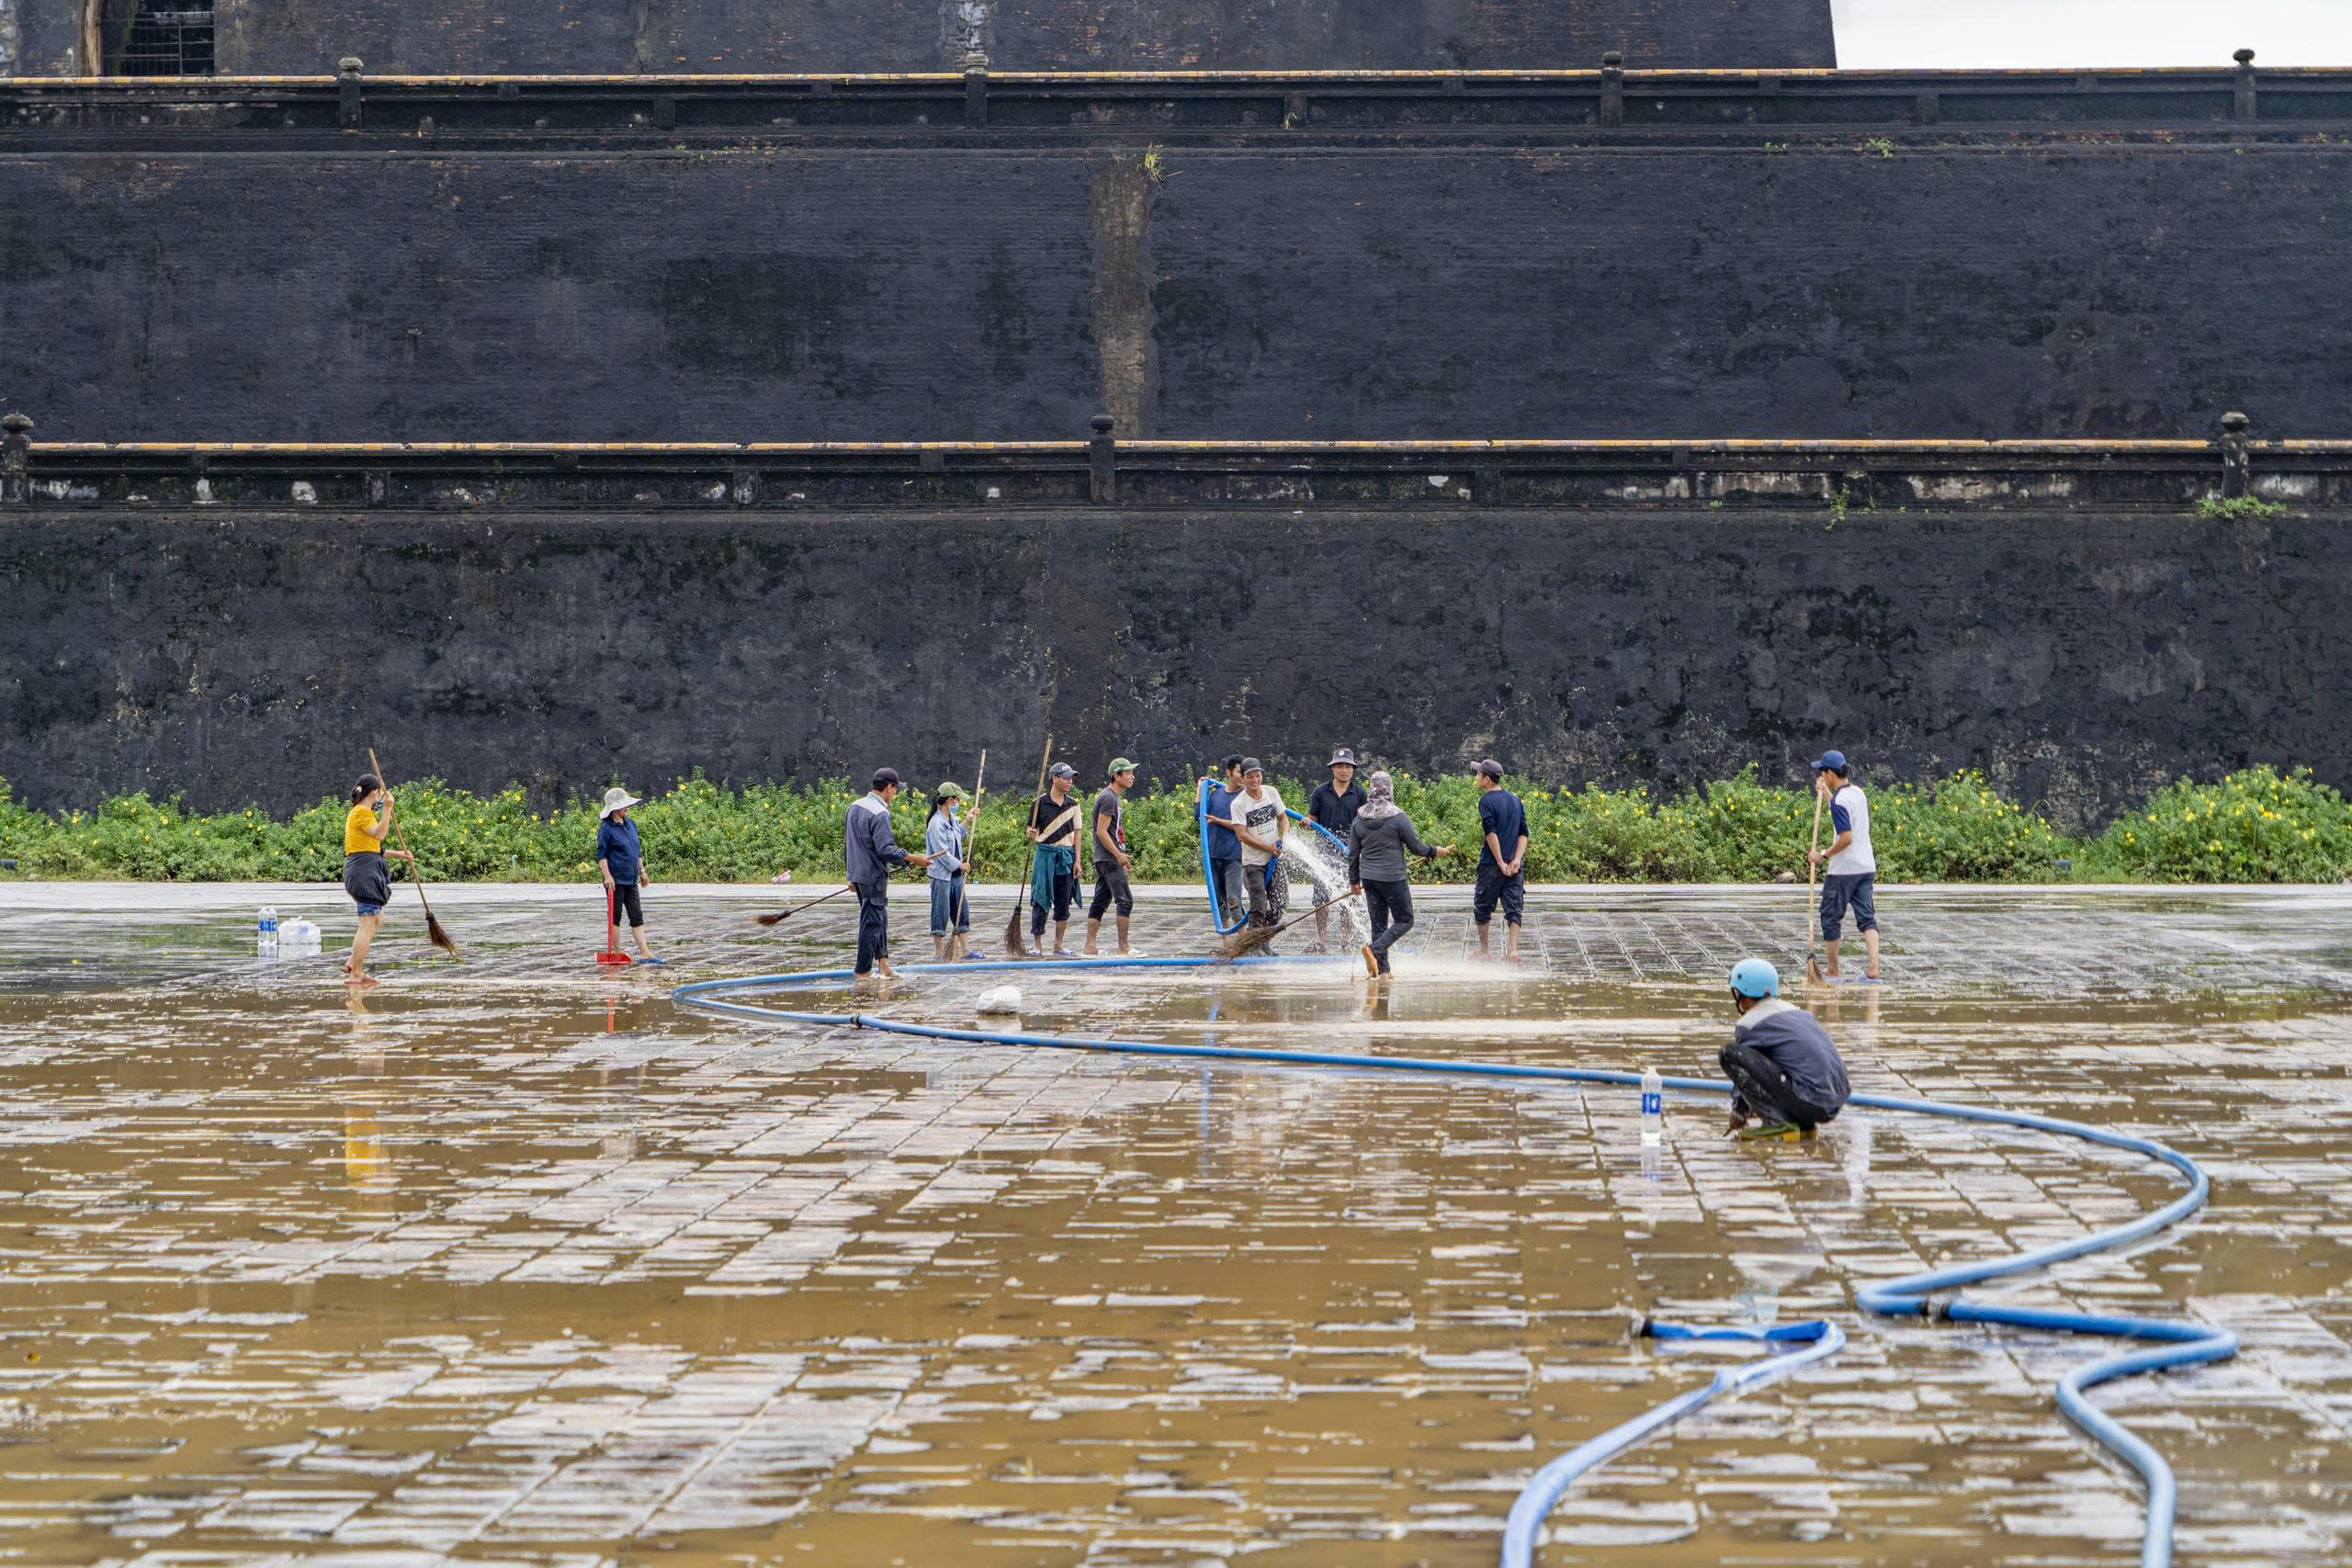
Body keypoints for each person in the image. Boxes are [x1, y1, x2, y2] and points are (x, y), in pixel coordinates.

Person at [1721, 958, 1851, 1139]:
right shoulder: (1795, 1011)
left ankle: (1777, 1122)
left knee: (1729, 1053)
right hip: (1833, 1100)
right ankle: (1802, 1124)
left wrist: (1738, 1112)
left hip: (1811, 1100)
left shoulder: (1749, 1024)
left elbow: (1744, 1072)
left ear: (1741, 994)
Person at [1346, 770, 1454, 978]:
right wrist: (1435, 851)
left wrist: (1354, 881)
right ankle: (1375, 949)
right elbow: (1417, 847)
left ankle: (1384, 971)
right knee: (1405, 920)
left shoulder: (1359, 818)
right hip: (1393, 878)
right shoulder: (1397, 817)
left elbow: (1353, 854)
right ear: (1390, 789)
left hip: (1369, 879)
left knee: (1378, 924)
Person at [846, 767, 931, 979]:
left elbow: (848, 844)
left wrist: (850, 875)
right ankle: (863, 970)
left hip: (859, 875)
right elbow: (885, 849)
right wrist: (913, 858)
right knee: (872, 922)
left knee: (879, 918)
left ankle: (883, 964)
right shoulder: (880, 813)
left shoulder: (854, 807)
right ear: (889, 788)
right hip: (873, 876)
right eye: (896, 790)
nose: (895, 794)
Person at [1807, 750, 1881, 984]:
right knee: (1867, 919)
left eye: (1822, 771)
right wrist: (1828, 794)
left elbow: (1846, 836)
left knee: (1830, 917)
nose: (1821, 774)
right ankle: (1873, 970)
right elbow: (1843, 810)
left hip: (1843, 871)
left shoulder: (1839, 802)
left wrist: (1822, 855)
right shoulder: (1858, 794)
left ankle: (1832, 971)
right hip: (1866, 867)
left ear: (1830, 773)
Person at [342, 774, 413, 986]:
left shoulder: (361, 813)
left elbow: (375, 848)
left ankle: (351, 962)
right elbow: (379, 834)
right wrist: (388, 809)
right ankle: (356, 974)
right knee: (366, 924)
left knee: (377, 919)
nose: (382, 796)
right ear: (374, 793)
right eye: (380, 793)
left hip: (365, 868)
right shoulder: (362, 813)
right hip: (363, 873)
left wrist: (400, 854)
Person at [1305, 747, 1366, 953]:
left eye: (1348, 766)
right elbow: (1313, 818)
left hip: (1349, 851)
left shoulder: (1359, 793)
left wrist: (1362, 850)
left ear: (1353, 769)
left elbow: (1364, 823)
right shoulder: (1320, 792)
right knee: (1321, 897)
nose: (1344, 770)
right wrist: (1306, 822)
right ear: (1332, 768)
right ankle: (1321, 939)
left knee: (1346, 895)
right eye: (1339, 766)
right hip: (1323, 850)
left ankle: (1345, 939)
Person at [1084, 757, 1144, 957]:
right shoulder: (1109, 798)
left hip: (1104, 857)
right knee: (1125, 900)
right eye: (1128, 773)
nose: (1132, 777)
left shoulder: (1112, 798)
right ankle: (1124, 947)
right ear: (1116, 776)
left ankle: (1090, 947)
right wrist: (1118, 855)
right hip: (1109, 858)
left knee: (1100, 902)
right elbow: (1101, 831)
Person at [596, 786, 662, 964]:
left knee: (636, 915)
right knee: (615, 917)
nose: (627, 808)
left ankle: (645, 952)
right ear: (615, 809)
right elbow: (601, 856)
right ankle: (617, 952)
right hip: (615, 880)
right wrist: (607, 877)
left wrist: (642, 871)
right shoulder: (606, 829)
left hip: (631, 878)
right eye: (624, 806)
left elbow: (635, 850)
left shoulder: (630, 824)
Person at [1473, 760, 1529, 962]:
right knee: (1514, 905)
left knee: (1483, 906)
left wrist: (1500, 862)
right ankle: (1512, 950)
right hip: (1515, 865)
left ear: (1487, 779)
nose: (1476, 777)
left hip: (1491, 864)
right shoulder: (1515, 799)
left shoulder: (1485, 801)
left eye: (1478, 775)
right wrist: (1516, 860)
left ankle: (1485, 950)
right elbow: (1524, 833)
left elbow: (1491, 833)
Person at [1225, 758, 1289, 931]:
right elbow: (1242, 835)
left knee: (1281, 903)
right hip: (1253, 864)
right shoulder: (1239, 803)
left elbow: (1283, 818)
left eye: (1257, 776)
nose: (1255, 780)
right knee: (1259, 905)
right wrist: (1267, 847)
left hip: (1274, 860)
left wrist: (1285, 836)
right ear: (1243, 778)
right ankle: (1253, 945)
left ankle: (1263, 939)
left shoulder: (1271, 792)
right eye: (1250, 777)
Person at [1026, 761, 1083, 956]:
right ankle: (1037, 945)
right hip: (1045, 855)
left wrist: (1078, 861)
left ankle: (1058, 944)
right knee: (1040, 898)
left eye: (1071, 778)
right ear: (1054, 778)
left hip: (1066, 856)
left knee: (1064, 898)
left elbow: (1077, 835)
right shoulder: (1039, 803)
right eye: (1065, 778)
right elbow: (1030, 830)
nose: (1069, 782)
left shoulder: (1073, 805)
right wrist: (1030, 833)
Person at [925, 782, 973, 962]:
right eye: (957, 800)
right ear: (950, 801)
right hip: (941, 876)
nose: (959, 803)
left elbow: (958, 833)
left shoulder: (951, 819)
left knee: (962, 911)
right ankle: (938, 953)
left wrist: (967, 819)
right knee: (940, 912)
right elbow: (942, 853)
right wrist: (960, 865)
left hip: (956, 877)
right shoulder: (936, 823)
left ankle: (966, 950)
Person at [1203, 754, 1246, 928]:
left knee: (1233, 899)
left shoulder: (1245, 797)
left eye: (1245, 772)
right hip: (1213, 854)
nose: (1242, 776)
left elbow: (1242, 826)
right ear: (1228, 772)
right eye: (1239, 772)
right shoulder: (1215, 795)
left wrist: (1218, 821)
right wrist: (1201, 789)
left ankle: (1243, 942)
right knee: (1218, 901)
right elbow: (1199, 814)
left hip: (1233, 856)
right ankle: (1226, 944)